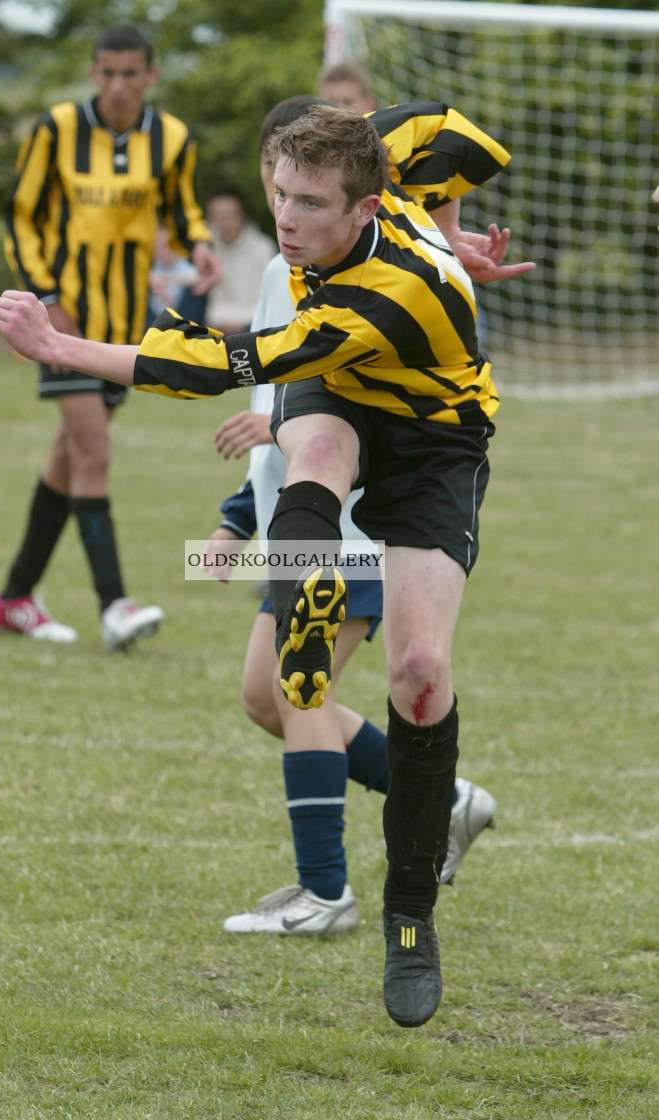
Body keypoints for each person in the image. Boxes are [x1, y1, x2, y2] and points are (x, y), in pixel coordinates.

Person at [0, 103, 535, 1028]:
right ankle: (305, 600)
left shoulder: (379, 293)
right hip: (341, 400)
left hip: (437, 441)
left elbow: (214, 363)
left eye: (310, 203)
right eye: (280, 192)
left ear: (364, 209)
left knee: (419, 675)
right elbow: (469, 139)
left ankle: (408, 915)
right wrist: (450, 237)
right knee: (313, 459)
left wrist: (58, 345)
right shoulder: (374, 157)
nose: (286, 219)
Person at [203, 96, 497, 938]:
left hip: (356, 526)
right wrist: (234, 517)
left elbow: (330, 398)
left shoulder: (363, 263)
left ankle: (323, 892)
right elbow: (276, 404)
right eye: (277, 179)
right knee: (266, 697)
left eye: (299, 185)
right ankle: (444, 797)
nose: (283, 198)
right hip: (289, 516)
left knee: (301, 695)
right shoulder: (283, 266)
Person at [0, 24, 221, 650]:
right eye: (107, 72)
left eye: (131, 73)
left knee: (69, 458)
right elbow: (21, 215)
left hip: (125, 328)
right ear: (93, 72)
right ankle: (115, 605)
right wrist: (47, 298)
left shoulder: (172, 138)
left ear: (150, 75)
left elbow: (181, 207)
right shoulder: (56, 129)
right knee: (92, 456)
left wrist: (199, 243)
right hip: (57, 323)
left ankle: (13, 598)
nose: (118, 85)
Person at [204, 185, 276, 334]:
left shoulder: (262, 247)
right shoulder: (204, 247)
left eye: (229, 215)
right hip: (207, 322)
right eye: (217, 216)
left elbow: (265, 299)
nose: (224, 222)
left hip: (249, 324)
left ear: (241, 215)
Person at [147, 225, 200, 321]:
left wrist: (170, 279)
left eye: (169, 246)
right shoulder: (153, 266)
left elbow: (196, 277)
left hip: (181, 315)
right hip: (154, 316)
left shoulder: (182, 263)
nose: (165, 251)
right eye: (160, 247)